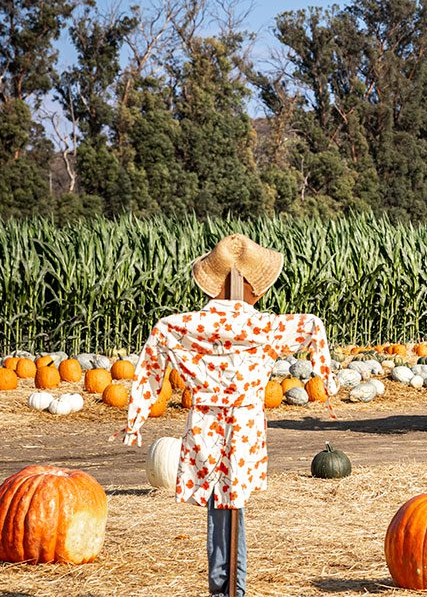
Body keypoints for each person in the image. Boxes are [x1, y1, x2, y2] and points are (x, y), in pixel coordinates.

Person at [114, 234, 335, 597]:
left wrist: (136, 418)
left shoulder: (180, 326)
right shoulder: (266, 327)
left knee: (219, 505)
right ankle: (234, 588)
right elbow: (312, 326)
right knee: (235, 504)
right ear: (255, 289)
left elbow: (155, 348)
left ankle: (223, 587)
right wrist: (325, 380)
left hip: (205, 423)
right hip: (245, 425)